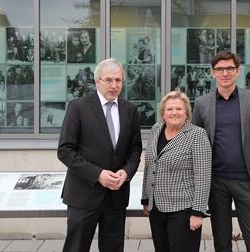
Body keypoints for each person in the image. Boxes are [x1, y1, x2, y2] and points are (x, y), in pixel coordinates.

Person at [57, 58, 143, 252]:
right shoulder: (78, 107)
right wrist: (98, 175)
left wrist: (126, 173)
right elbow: (65, 150)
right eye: (109, 80)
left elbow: (135, 149)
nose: (114, 85)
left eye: (119, 80)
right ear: (97, 81)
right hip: (84, 195)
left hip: (116, 196)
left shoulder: (130, 110)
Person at [192, 51, 250, 252]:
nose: (225, 73)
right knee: (221, 242)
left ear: (237, 72)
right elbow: (196, 141)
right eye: (220, 69)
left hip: (245, 181)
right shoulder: (202, 103)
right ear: (213, 73)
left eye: (230, 69)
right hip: (216, 182)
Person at [141, 89, 212, 252]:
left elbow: (203, 176)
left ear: (187, 112)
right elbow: (149, 165)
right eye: (169, 109)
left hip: (184, 211)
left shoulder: (197, 135)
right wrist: (146, 199)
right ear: (163, 113)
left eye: (179, 109)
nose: (174, 113)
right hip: (156, 209)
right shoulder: (155, 130)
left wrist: (198, 212)